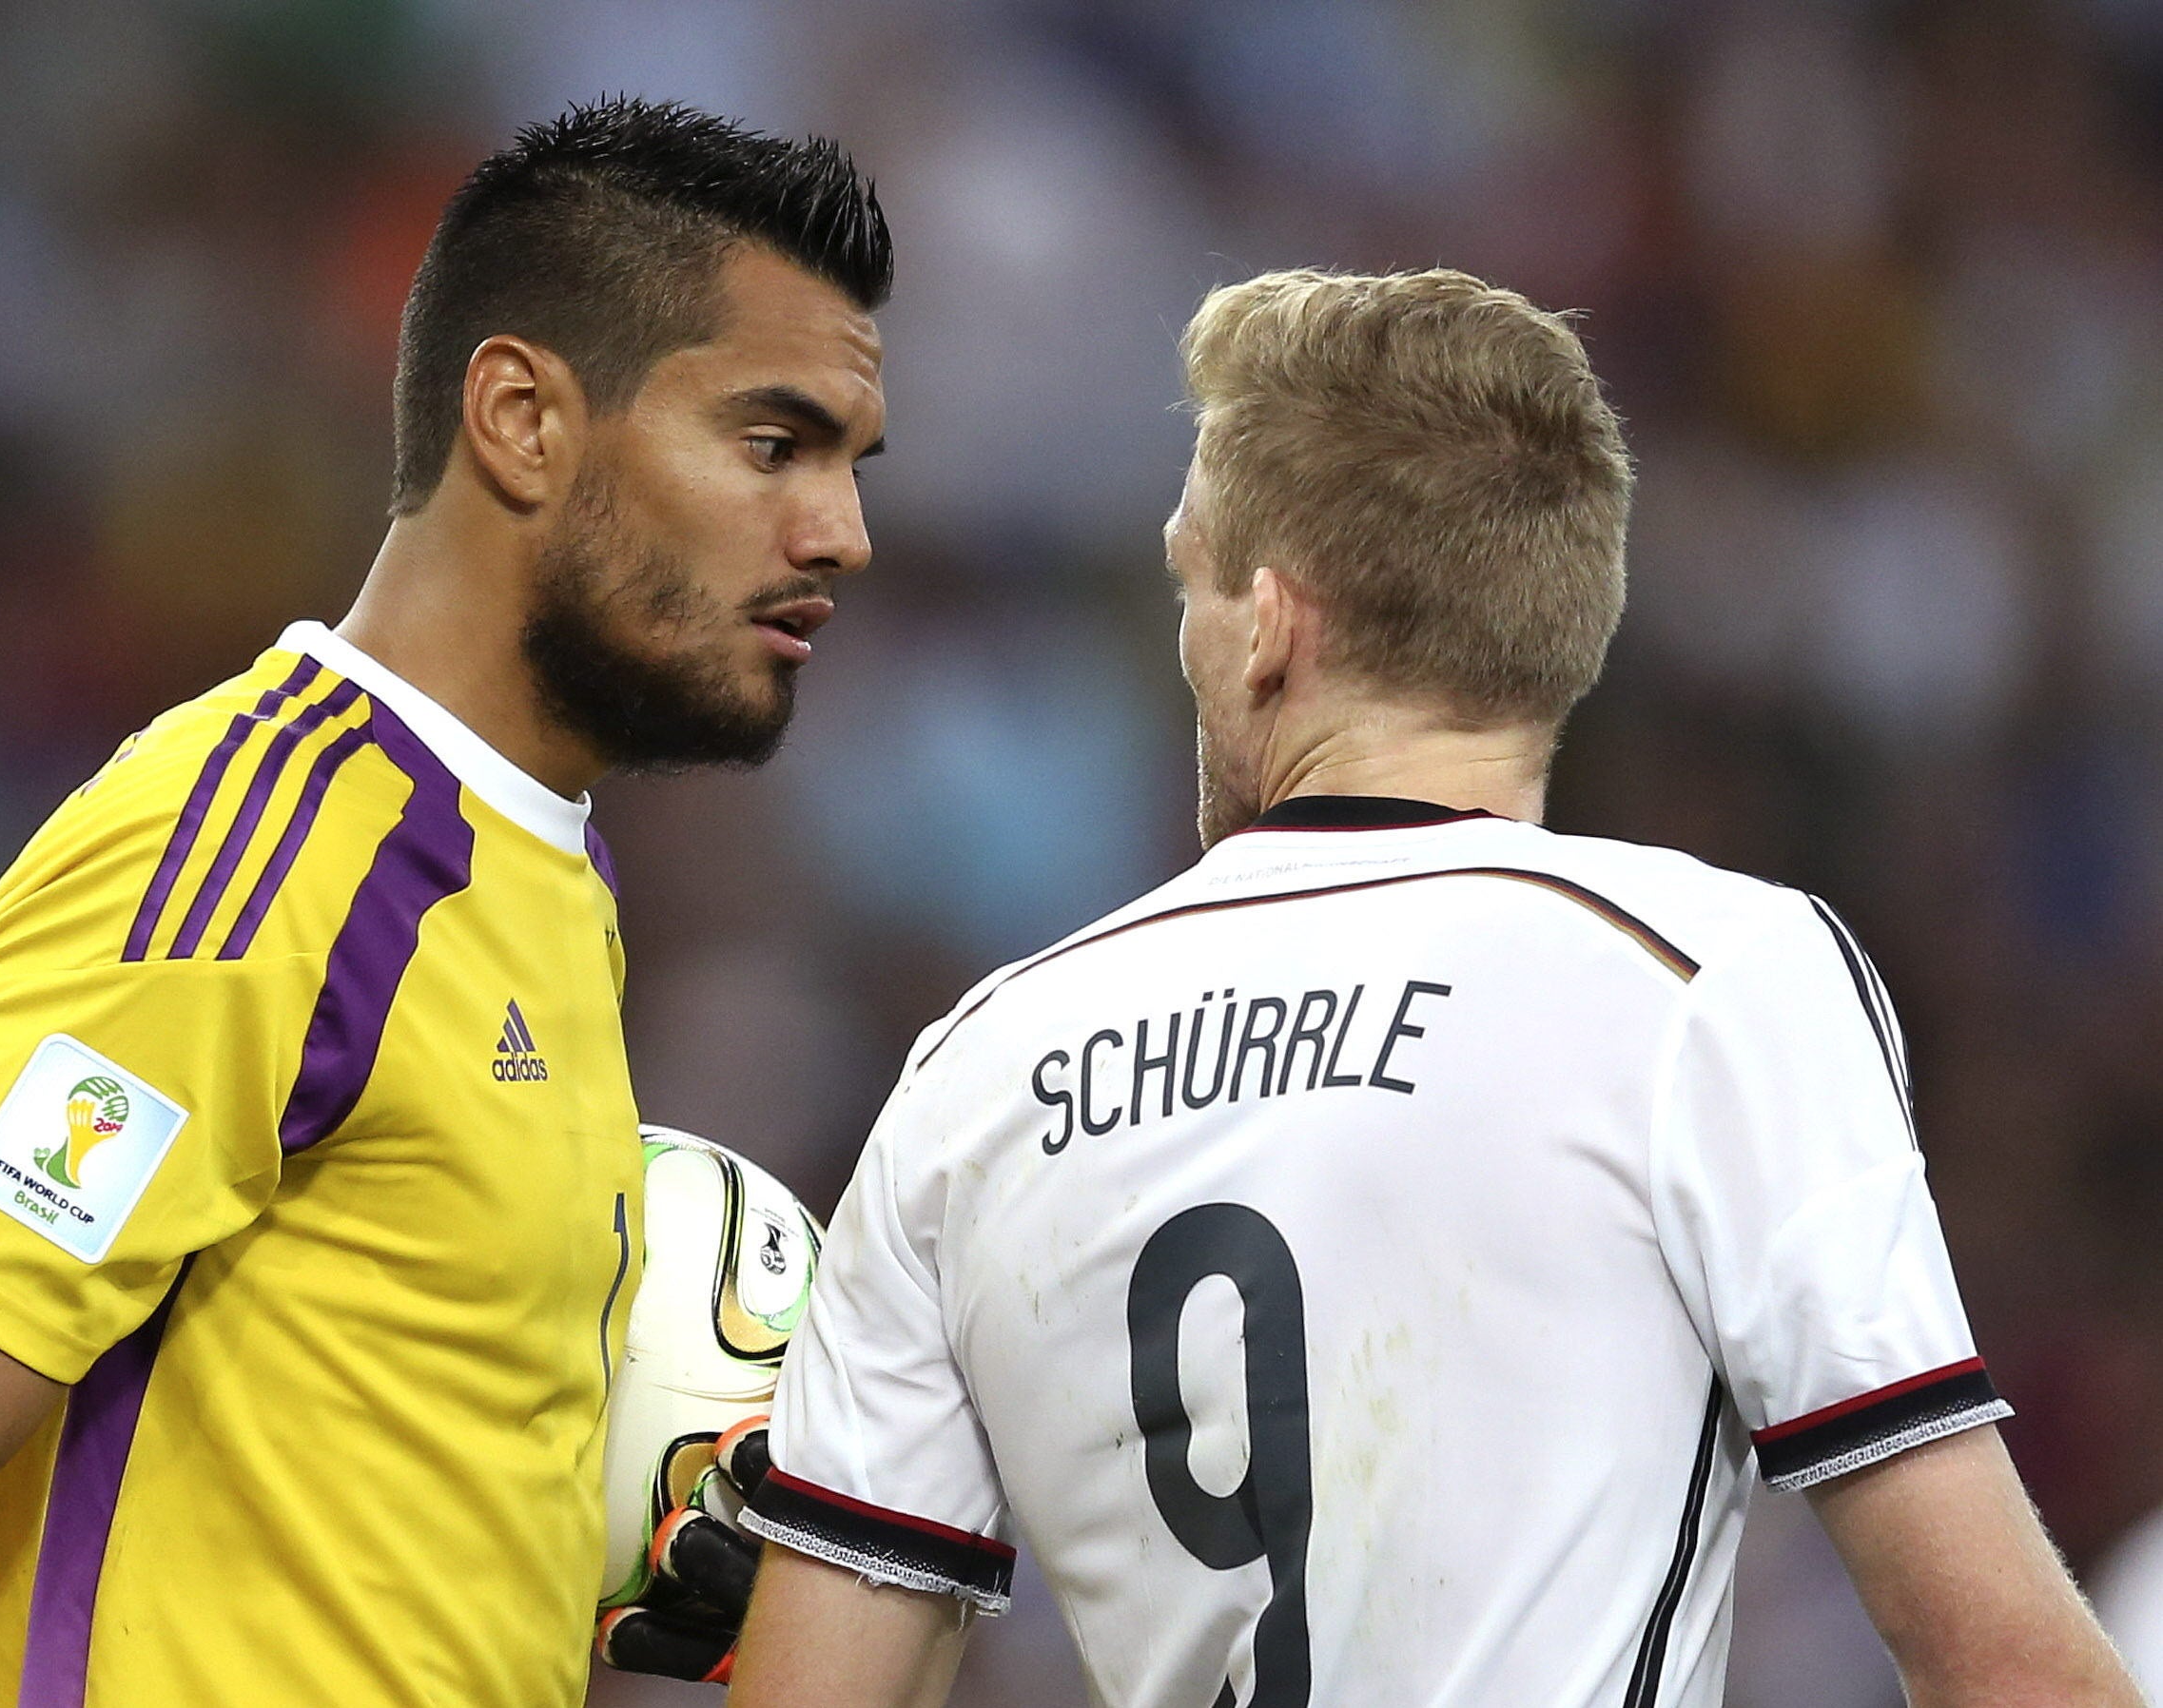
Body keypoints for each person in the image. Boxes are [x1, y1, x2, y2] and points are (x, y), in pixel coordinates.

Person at [723, 269, 2140, 1707]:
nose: (1187, 637)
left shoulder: (976, 1072)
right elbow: (2007, 1669)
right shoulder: (1699, 979)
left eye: (1188, 581)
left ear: (1271, 622)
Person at [0, 97, 888, 1708]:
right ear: (521, 418)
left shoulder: (546, 880)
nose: (838, 531)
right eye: (773, 444)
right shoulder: (259, 857)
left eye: (850, 462)